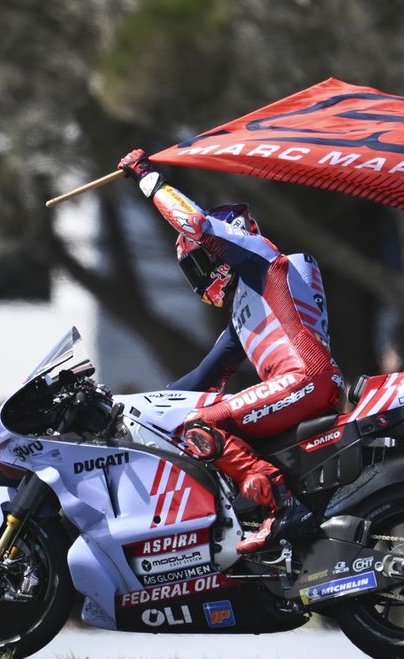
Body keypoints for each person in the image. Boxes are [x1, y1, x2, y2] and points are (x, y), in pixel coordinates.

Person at [118, 149, 343, 554]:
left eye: (199, 262)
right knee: (202, 419)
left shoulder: (260, 259)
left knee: (198, 427)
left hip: (303, 379)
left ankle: (282, 506)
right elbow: (200, 380)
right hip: (310, 383)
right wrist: (132, 409)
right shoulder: (249, 307)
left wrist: (146, 177)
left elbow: (196, 222)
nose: (199, 277)